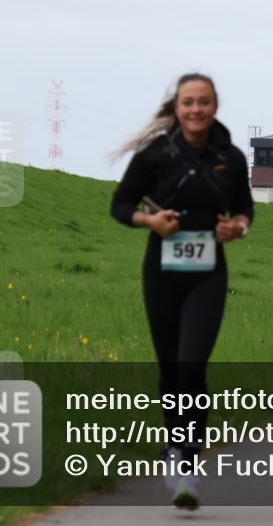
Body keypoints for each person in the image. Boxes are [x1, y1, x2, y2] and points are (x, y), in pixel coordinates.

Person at [110, 73, 253, 510]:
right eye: (188, 102)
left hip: (208, 271)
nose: (195, 110)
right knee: (171, 368)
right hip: (162, 270)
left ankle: (187, 459)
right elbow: (119, 205)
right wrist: (148, 222)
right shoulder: (155, 154)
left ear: (215, 106)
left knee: (193, 365)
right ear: (176, 107)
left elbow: (244, 208)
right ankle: (173, 449)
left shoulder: (230, 156)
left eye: (203, 102)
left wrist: (238, 228)